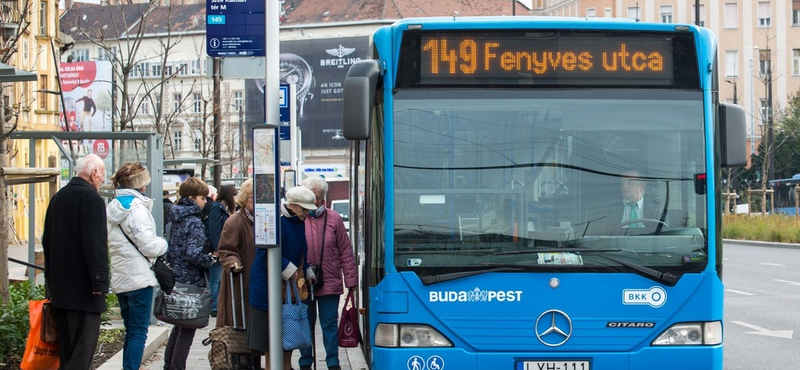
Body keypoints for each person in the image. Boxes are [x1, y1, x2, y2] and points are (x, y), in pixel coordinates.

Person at [42, 153, 108, 370]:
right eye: (102, 175)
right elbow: (94, 243)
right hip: (84, 292)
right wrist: (99, 281)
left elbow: (47, 242)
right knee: (82, 352)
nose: (102, 180)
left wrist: (51, 282)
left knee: (68, 352)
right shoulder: (91, 199)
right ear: (94, 172)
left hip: (61, 291)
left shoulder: (58, 197)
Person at [106, 163, 169, 370]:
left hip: (122, 278)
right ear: (141, 184)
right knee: (139, 332)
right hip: (139, 278)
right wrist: (164, 243)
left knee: (131, 331)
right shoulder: (136, 209)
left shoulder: (113, 208)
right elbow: (149, 245)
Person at [248, 186, 318, 370]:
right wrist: (288, 267)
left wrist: (307, 271)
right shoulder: (276, 221)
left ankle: (286, 366)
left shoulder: (297, 221)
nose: (306, 213)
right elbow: (265, 253)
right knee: (272, 337)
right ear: (292, 206)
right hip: (268, 289)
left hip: (287, 287)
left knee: (288, 330)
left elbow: (300, 251)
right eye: (303, 209)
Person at [298, 177, 358, 370]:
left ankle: (333, 362)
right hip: (303, 282)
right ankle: (306, 362)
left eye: (318, 197)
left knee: (329, 324)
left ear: (324, 197)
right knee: (304, 324)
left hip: (330, 280)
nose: (315, 201)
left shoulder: (334, 218)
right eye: (311, 197)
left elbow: (345, 251)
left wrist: (351, 280)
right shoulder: (298, 217)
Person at [163, 177, 215, 370]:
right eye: (203, 198)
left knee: (178, 327)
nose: (205, 202)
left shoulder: (175, 217)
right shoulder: (194, 222)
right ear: (193, 198)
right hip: (191, 282)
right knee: (187, 330)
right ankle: (176, 368)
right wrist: (208, 259)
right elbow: (193, 254)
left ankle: (168, 366)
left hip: (176, 279)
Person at [214, 181, 261, 366]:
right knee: (241, 326)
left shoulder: (261, 219)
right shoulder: (235, 221)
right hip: (241, 281)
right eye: (251, 197)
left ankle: (255, 361)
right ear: (243, 198)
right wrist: (233, 263)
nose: (255, 201)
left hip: (257, 281)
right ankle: (242, 362)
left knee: (256, 328)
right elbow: (225, 250)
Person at [202, 185, 220, 315]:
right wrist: (217, 247)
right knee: (215, 279)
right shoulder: (213, 208)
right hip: (212, 249)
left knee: (212, 279)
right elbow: (213, 230)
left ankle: (212, 305)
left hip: (207, 248)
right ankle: (213, 306)